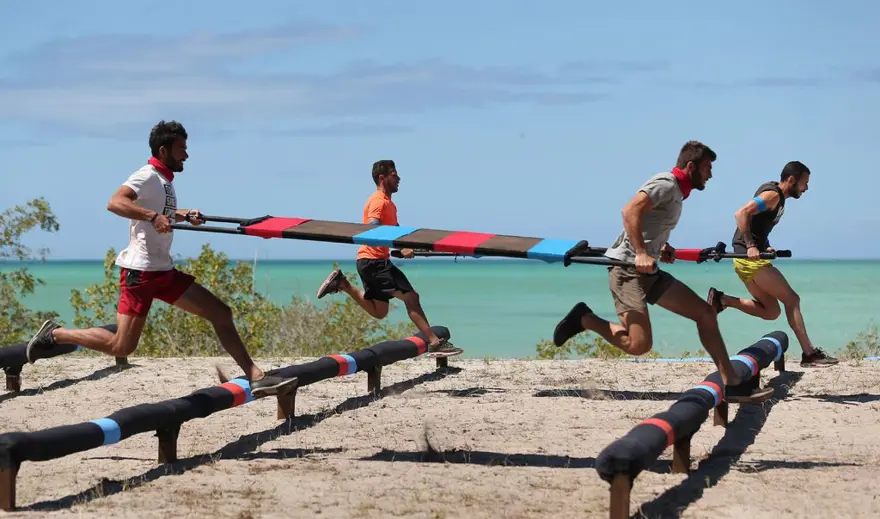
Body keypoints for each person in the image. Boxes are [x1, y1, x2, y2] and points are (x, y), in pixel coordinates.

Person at [25, 120, 295, 398]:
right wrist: (153, 217)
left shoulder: (164, 180)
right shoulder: (147, 175)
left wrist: (184, 214)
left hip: (163, 271)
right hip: (140, 273)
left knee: (220, 313)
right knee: (122, 346)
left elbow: (159, 210)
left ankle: (256, 376)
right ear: (163, 150)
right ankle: (56, 335)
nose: (187, 156)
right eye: (182, 149)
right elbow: (115, 202)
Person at [552, 141, 774, 403]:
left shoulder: (678, 192)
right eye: (707, 168)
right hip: (626, 270)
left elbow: (649, 224)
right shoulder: (666, 183)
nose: (710, 174)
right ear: (691, 166)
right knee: (639, 345)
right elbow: (630, 210)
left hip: (649, 269)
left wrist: (660, 247)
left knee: (704, 313)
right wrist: (642, 252)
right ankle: (584, 319)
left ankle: (733, 383)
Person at [315, 159, 462, 358]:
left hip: (372, 262)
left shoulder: (389, 204)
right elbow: (373, 230)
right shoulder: (377, 202)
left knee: (379, 311)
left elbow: (396, 234)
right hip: (374, 262)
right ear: (382, 178)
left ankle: (343, 284)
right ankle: (435, 343)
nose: (399, 178)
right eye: (394, 174)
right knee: (411, 297)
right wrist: (399, 247)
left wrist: (404, 247)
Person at [705, 161, 838, 367]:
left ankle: (723, 300)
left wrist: (764, 245)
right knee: (792, 299)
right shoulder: (773, 195)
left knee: (771, 312)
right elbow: (741, 213)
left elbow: (757, 224)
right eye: (804, 183)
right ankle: (809, 354)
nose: (806, 188)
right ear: (791, 180)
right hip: (749, 260)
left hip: (746, 261)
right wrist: (750, 245)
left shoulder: (777, 197)